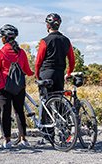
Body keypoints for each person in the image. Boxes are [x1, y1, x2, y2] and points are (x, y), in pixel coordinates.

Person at [0, 24, 34, 149]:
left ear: (5, 38)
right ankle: (23, 139)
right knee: (19, 111)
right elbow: (27, 70)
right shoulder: (21, 53)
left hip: (3, 87)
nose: (0, 38)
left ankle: (7, 140)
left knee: (5, 112)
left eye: (1, 36)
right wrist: (35, 74)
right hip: (19, 86)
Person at [35, 13, 75, 143]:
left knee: (45, 102)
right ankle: (65, 133)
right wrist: (68, 72)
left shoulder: (44, 41)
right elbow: (72, 59)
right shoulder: (66, 40)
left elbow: (38, 61)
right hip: (59, 73)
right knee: (59, 102)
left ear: (47, 25)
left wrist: (37, 75)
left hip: (46, 72)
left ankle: (48, 135)